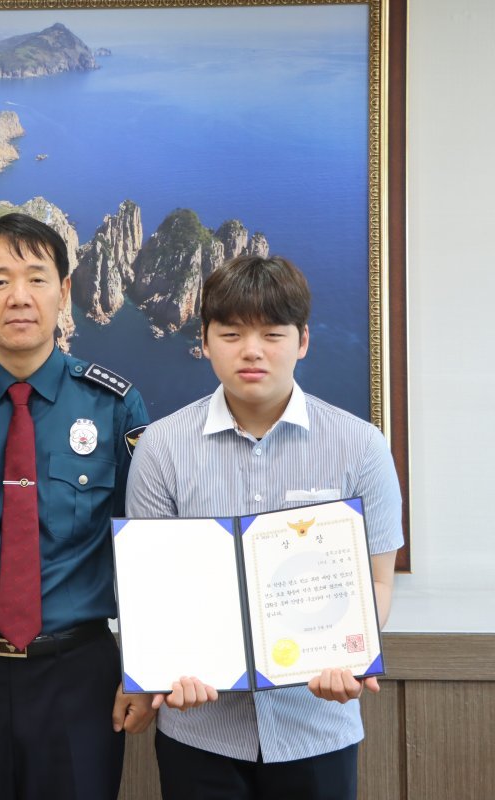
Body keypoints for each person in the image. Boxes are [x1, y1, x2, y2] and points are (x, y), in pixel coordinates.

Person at [125, 254, 402, 800]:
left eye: (272, 334)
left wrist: (346, 654)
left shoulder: (360, 445)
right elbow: (149, 588)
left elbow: (379, 581)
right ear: (204, 341)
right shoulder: (161, 447)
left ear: (302, 341)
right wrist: (165, 667)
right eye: (230, 333)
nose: (251, 350)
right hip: (199, 728)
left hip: (317, 724)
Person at [0, 212, 152, 800]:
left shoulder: (115, 406)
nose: (19, 297)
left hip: (79, 672)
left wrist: (146, 668)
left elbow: (144, 552)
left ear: (64, 292)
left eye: (37, 278)